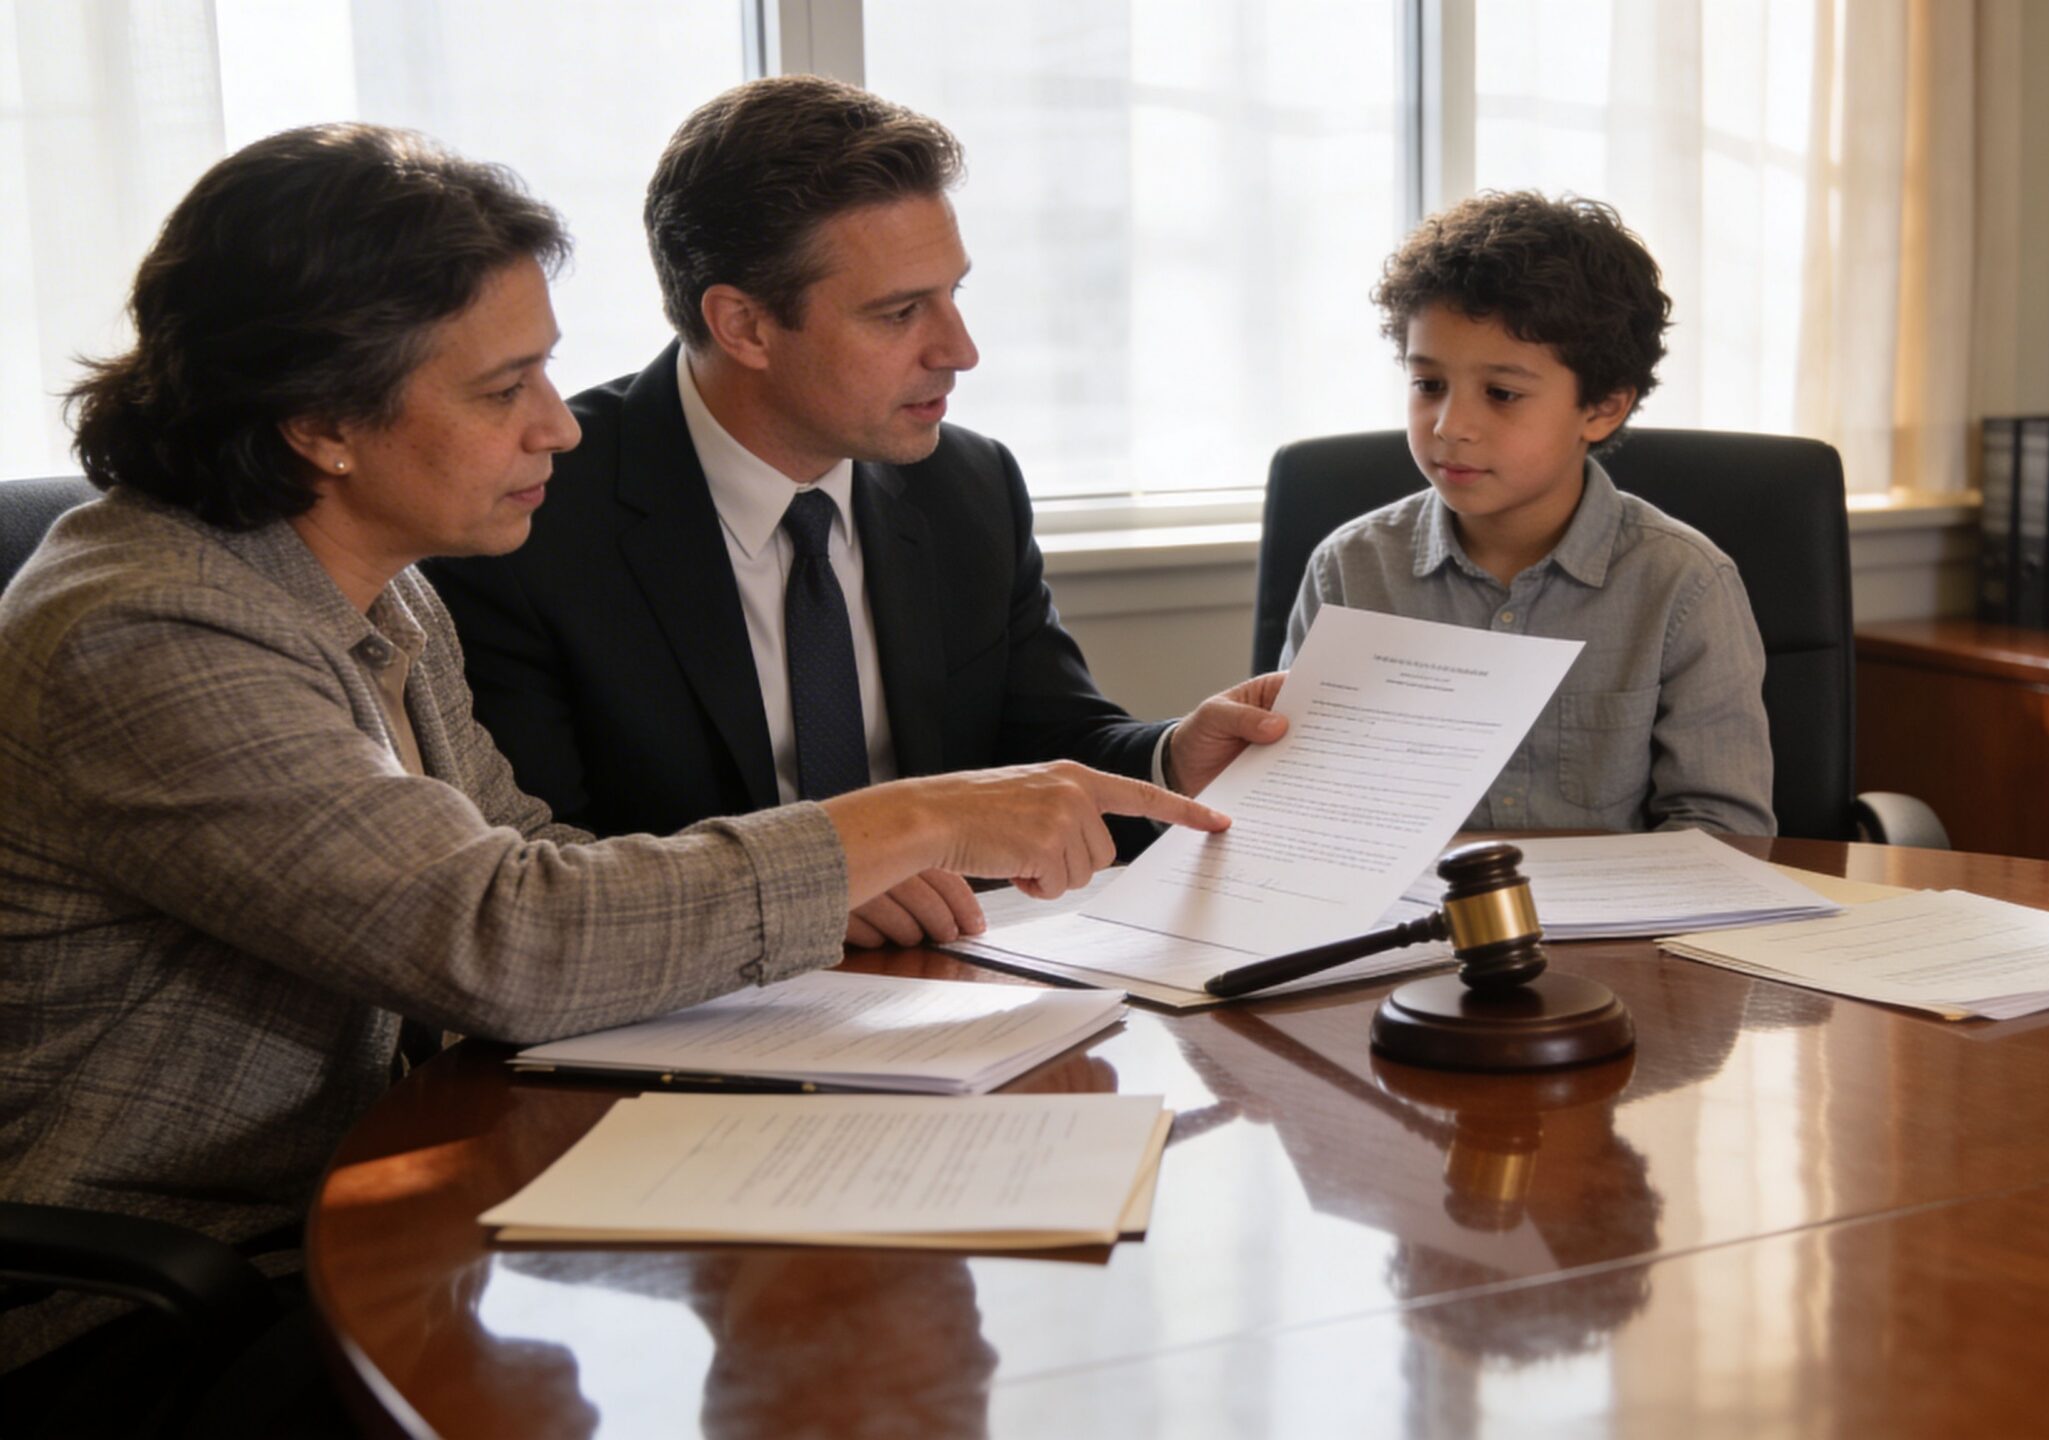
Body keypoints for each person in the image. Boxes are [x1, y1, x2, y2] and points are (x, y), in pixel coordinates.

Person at [0, 123, 1224, 1402]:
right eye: (499, 391)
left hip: (375, 1213)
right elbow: (501, 939)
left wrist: (840, 882)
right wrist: (901, 826)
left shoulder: (379, 592)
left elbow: (531, 860)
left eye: (546, 375)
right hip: (157, 1308)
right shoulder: (150, 628)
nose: (558, 430)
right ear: (320, 423)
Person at [424, 76, 1283, 950]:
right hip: (672, 1026)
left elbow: (1041, 744)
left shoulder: (967, 482)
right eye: (901, 312)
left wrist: (1174, 759)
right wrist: (813, 884)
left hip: (940, 1002)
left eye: (954, 293)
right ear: (745, 327)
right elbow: (538, 869)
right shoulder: (527, 515)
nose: (961, 350)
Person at [1282, 192, 1776, 835]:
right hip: (1405, 927)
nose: (1451, 426)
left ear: (1602, 408)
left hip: (1617, 928)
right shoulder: (1348, 570)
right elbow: (1298, 797)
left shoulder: (1683, 583)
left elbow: (1723, 830)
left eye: (1502, 394)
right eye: (1428, 385)